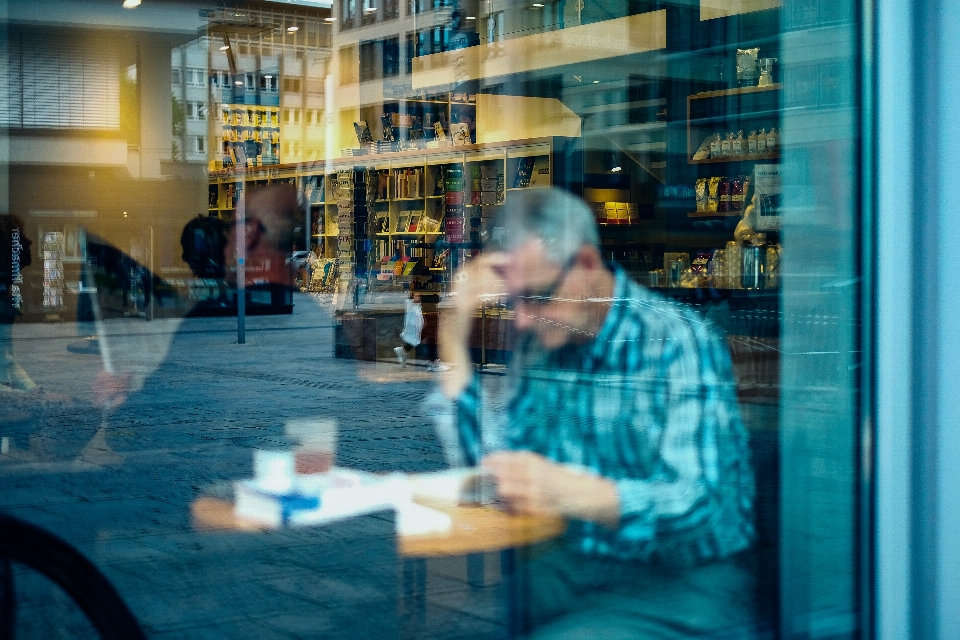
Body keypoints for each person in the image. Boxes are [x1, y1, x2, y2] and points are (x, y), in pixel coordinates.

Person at [430, 187, 757, 639]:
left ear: (584, 265)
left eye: (538, 297)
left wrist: (570, 492)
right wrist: (452, 331)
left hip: (684, 579)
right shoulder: (543, 343)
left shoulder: (675, 339)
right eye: (513, 302)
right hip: (575, 566)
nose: (521, 320)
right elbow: (492, 469)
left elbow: (699, 503)